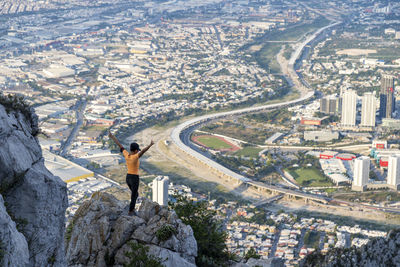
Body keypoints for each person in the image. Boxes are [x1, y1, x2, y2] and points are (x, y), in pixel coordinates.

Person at [108, 131, 154, 215]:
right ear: (136, 150)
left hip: (128, 178)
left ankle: (131, 208)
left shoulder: (126, 154)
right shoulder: (135, 157)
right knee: (134, 195)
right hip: (134, 178)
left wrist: (112, 137)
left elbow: (119, 145)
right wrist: (150, 145)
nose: (138, 151)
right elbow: (143, 151)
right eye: (137, 150)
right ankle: (130, 211)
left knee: (135, 194)